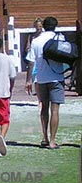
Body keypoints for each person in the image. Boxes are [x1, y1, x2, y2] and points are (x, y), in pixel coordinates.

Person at [25, 16, 65, 149]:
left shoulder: (36, 41)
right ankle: (53, 141)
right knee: (55, 110)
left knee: (43, 108)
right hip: (56, 77)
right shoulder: (60, 38)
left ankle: (44, 137)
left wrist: (28, 80)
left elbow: (31, 62)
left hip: (41, 79)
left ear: (44, 26)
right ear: (55, 26)